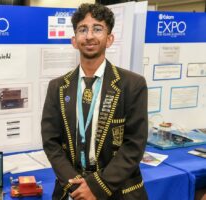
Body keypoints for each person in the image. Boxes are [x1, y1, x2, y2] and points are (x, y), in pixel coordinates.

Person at [41, 3, 148, 200]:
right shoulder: (57, 87)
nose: (89, 36)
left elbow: (135, 144)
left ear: (109, 39)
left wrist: (97, 187)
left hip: (118, 189)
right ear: (74, 40)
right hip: (72, 189)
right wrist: (76, 185)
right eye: (83, 29)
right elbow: (51, 142)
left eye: (97, 29)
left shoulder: (132, 84)